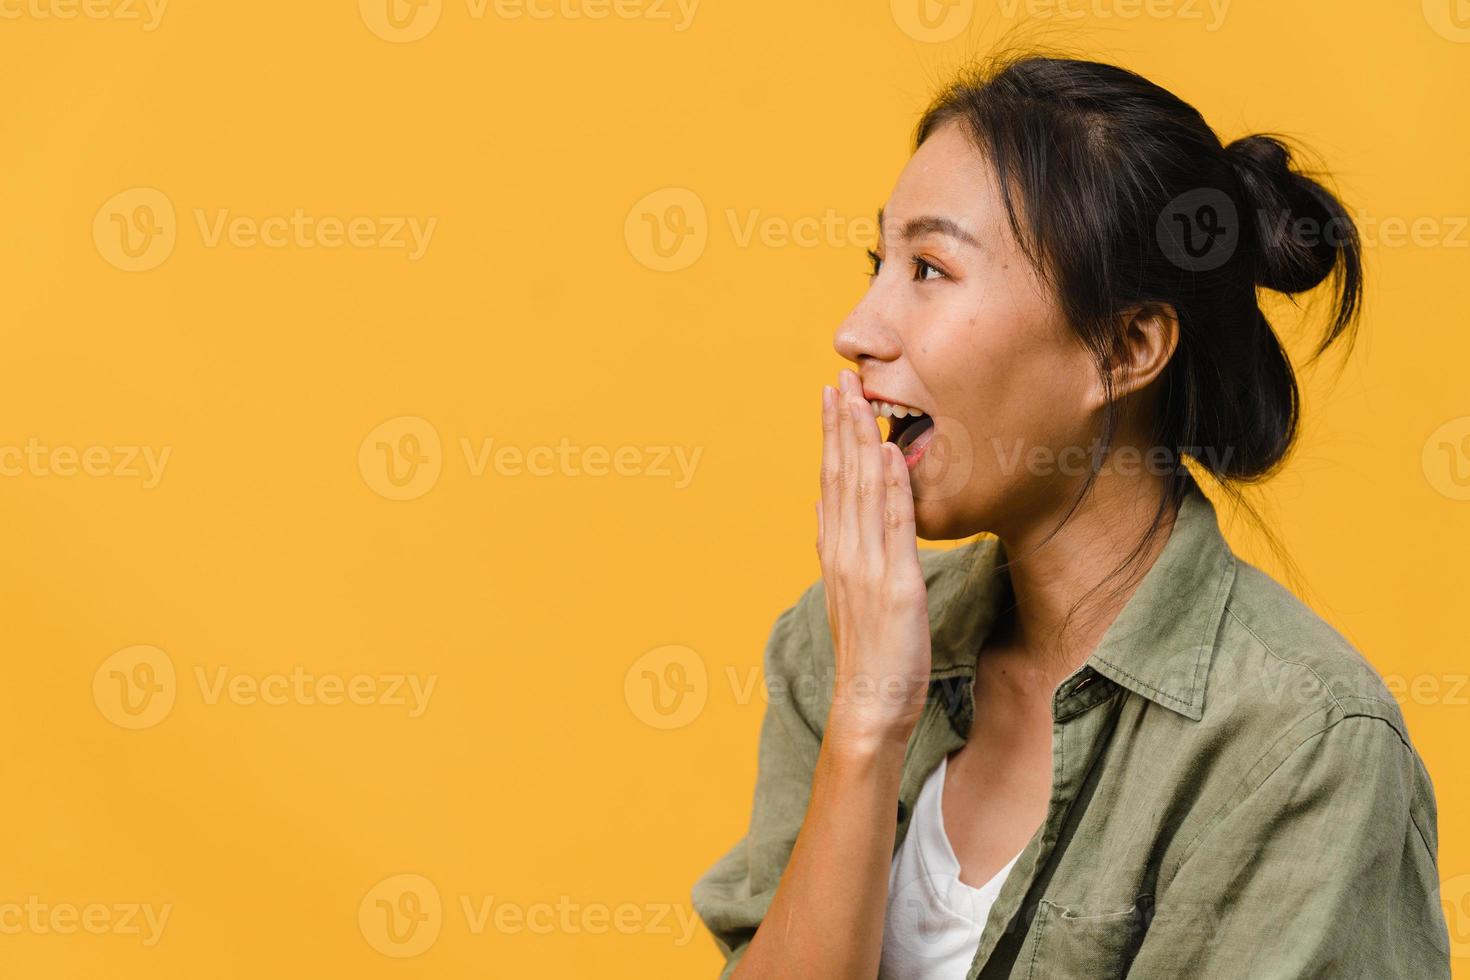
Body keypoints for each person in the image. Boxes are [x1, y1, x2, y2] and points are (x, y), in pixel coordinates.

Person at [690, 53, 1451, 979]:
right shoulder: (840, 645)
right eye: (878, 263)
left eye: (929, 269)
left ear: (1125, 348)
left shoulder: (1302, 749)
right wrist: (868, 722)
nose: (857, 328)